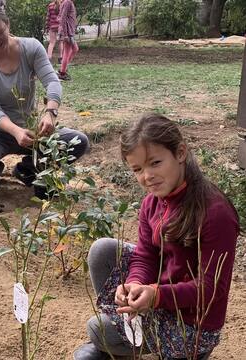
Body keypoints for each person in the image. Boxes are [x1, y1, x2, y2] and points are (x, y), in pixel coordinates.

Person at [74, 114, 239, 360]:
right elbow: (145, 255)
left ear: (180, 153)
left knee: (97, 329)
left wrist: (157, 295)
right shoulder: (152, 202)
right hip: (159, 296)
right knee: (103, 251)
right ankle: (128, 333)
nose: (147, 176)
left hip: (192, 322)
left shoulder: (214, 213)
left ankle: (149, 346)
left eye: (155, 163)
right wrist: (136, 283)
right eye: (137, 169)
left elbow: (210, 289)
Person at [0, 3, 89, 198]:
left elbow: (52, 81)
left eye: (0, 32)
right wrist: (15, 131)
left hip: (32, 128)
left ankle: (28, 170)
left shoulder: (31, 47)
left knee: (78, 142)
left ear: (8, 24)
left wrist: (50, 113)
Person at [57, 0, 78, 81]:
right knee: (67, 52)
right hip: (67, 32)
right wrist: (65, 34)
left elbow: (59, 17)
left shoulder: (67, 2)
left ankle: (63, 68)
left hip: (70, 32)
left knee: (75, 49)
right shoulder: (67, 2)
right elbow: (62, 18)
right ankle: (62, 73)